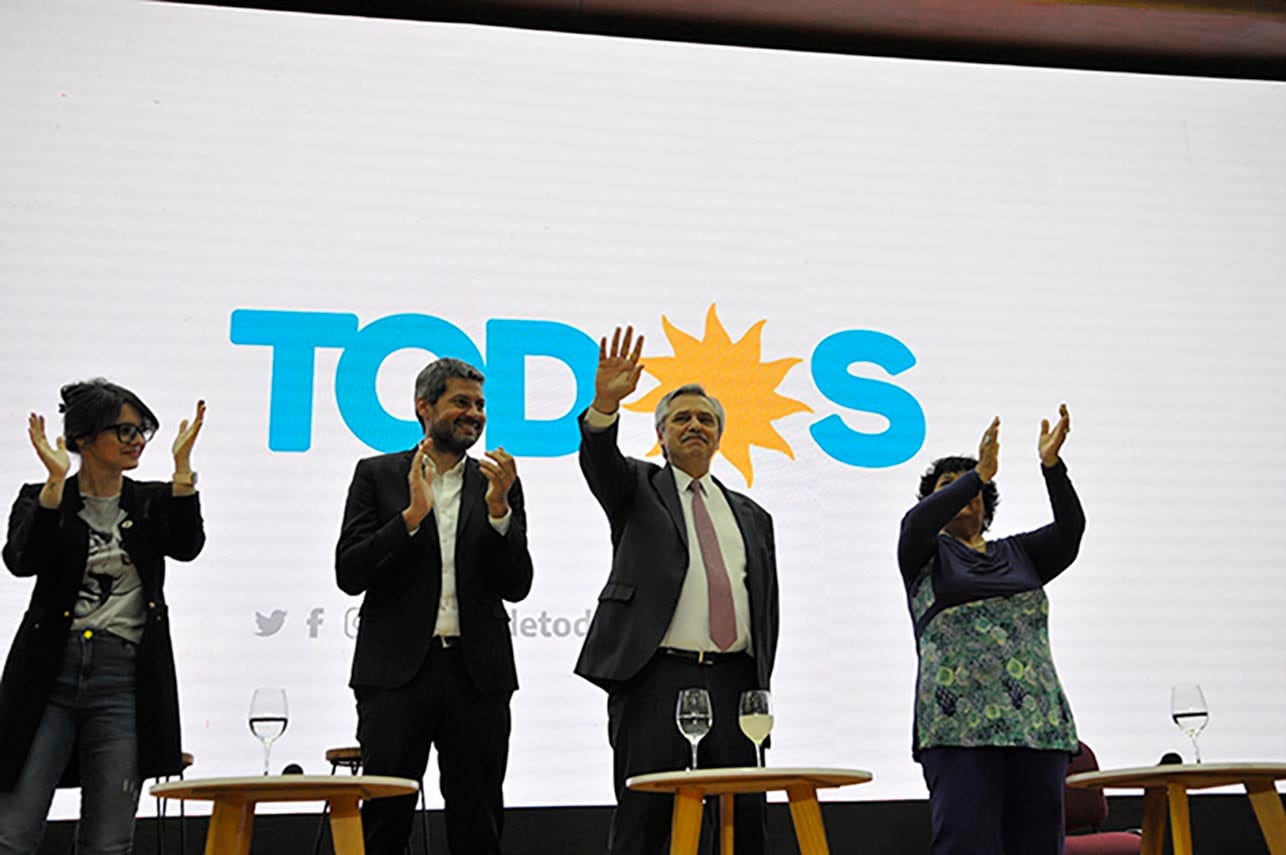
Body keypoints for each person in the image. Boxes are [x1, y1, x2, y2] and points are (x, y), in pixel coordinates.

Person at [575, 326, 780, 855]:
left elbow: (765, 606)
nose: (695, 426)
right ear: (661, 435)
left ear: (719, 437)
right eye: (681, 419)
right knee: (646, 817)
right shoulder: (638, 488)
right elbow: (600, 461)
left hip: (737, 683)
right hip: (655, 677)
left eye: (706, 419)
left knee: (744, 820)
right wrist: (603, 405)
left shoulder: (753, 516)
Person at [336, 357, 533, 855]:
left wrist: (498, 511)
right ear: (424, 407)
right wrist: (410, 516)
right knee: (385, 819)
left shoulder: (497, 482)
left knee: (478, 822)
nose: (475, 414)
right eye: (461, 403)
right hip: (395, 677)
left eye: (480, 405)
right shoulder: (377, 475)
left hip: (478, 676)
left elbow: (518, 584)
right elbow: (349, 573)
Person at [0, 379, 205, 855]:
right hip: (48, 675)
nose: (137, 441)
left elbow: (186, 546)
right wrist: (54, 486)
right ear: (83, 440)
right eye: (125, 430)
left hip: (123, 678)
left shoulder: (151, 500)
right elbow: (21, 559)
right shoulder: (40, 496)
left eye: (143, 431)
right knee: (13, 832)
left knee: (109, 841)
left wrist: (181, 470)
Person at [897, 404, 1085, 855]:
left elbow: (1071, 530)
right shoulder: (924, 554)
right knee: (966, 844)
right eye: (951, 487)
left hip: (1035, 726)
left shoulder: (1020, 553)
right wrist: (977, 473)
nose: (966, 494)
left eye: (976, 490)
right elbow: (918, 521)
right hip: (959, 729)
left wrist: (1052, 467)